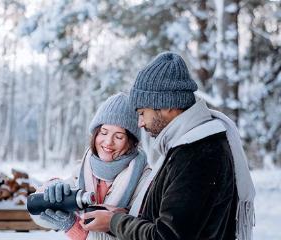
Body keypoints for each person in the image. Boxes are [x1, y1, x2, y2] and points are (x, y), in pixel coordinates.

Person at [80, 52, 256, 240]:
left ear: (166, 105)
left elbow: (166, 236)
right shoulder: (188, 145)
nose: (139, 123)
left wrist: (114, 223)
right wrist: (121, 216)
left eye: (142, 113)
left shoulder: (197, 154)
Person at [31, 93, 151, 240]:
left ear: (132, 142)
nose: (108, 142)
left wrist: (75, 229)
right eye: (104, 132)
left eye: (119, 136)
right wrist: (51, 189)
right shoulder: (83, 170)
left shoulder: (144, 181)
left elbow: (134, 234)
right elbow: (37, 214)